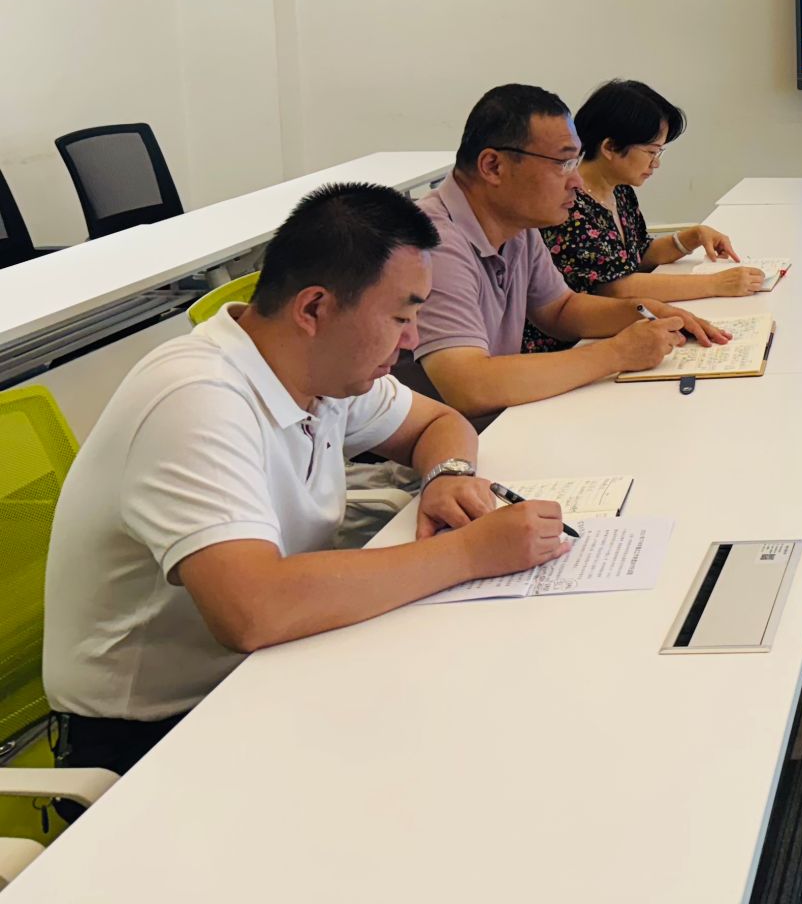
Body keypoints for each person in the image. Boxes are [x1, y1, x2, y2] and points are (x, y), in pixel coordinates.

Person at [43, 183, 573, 779]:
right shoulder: (195, 400)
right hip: (155, 734)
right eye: (401, 316)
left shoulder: (321, 369)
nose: (412, 339)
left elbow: (439, 423)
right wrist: (471, 553)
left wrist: (448, 476)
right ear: (314, 309)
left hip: (274, 668)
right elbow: (253, 611)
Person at [402, 83, 726, 420]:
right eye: (563, 164)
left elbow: (559, 309)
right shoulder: (433, 243)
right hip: (436, 442)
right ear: (493, 166)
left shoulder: (517, 225)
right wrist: (617, 353)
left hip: (497, 420)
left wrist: (644, 311)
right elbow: (470, 386)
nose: (576, 182)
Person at [525, 78, 764, 354]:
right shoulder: (570, 207)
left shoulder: (619, 190)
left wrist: (690, 238)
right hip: (571, 345)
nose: (656, 163)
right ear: (610, 147)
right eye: (651, 152)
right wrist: (715, 284)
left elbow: (638, 254)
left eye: (659, 152)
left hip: (613, 329)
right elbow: (616, 288)